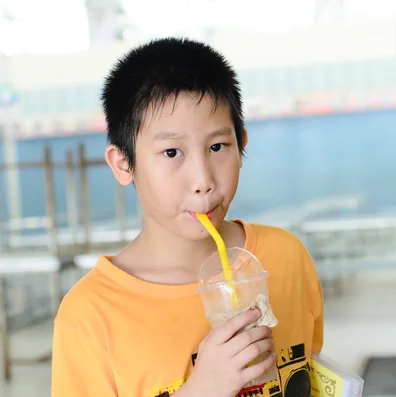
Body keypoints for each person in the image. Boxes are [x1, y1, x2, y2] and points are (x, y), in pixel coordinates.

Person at [51, 37, 324, 397]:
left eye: (217, 147)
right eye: (171, 152)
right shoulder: (90, 315)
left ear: (241, 144)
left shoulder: (286, 257)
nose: (203, 181)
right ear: (123, 164)